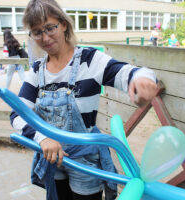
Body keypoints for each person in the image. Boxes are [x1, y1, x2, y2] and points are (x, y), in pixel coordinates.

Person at [10, 0, 158, 199]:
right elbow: (17, 114)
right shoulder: (37, 70)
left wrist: (143, 79)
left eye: (50, 28)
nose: (45, 37)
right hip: (53, 159)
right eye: (37, 32)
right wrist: (43, 138)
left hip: (85, 161)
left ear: (63, 24)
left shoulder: (90, 60)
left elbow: (130, 72)